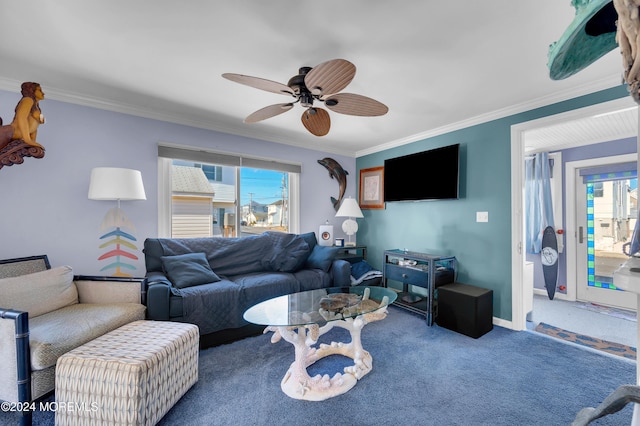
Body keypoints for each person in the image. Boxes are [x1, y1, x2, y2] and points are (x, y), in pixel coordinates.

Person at [0, 82, 45, 150]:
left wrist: (32, 142)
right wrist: (27, 140)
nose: (43, 93)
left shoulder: (36, 107)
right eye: (40, 90)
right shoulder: (28, 100)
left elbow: (36, 126)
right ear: (31, 91)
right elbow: (21, 118)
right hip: (8, 132)